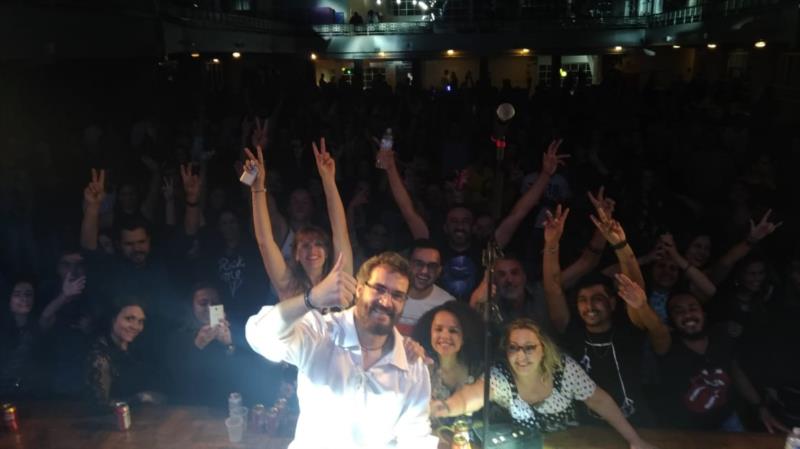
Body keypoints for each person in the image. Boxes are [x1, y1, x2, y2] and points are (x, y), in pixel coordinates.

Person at [246, 252, 437, 449]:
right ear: (359, 289)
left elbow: (416, 435)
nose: (386, 302)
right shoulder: (321, 331)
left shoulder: (412, 363)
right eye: (379, 289)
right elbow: (260, 336)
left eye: (397, 295)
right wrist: (310, 299)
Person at [377, 139, 568, 300]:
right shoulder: (433, 244)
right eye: (454, 221)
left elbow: (517, 215)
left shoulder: (487, 248)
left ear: (473, 226)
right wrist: (391, 168)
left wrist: (545, 175)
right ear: (445, 226)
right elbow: (408, 211)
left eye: (465, 221)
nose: (460, 226)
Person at [432, 319, 658, 449]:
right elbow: (472, 395)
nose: (521, 356)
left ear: (543, 348)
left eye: (529, 348)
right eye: (514, 348)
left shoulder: (563, 369)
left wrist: (634, 440)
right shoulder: (501, 376)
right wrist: (446, 407)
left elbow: (599, 401)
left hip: (571, 443)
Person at [542, 202, 670, 426]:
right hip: (588, 429)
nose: (589, 306)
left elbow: (635, 289)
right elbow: (553, 289)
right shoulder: (572, 331)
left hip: (638, 424)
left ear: (612, 302)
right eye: (583, 300)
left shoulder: (628, 329)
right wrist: (551, 244)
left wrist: (621, 245)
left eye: (598, 298)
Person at [657, 293, 787, 433]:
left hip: (727, 419)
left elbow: (737, 374)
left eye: (693, 308)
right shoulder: (665, 346)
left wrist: (759, 406)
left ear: (703, 314)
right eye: (679, 311)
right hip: (687, 429)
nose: (688, 314)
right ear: (670, 321)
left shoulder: (720, 338)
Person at [245, 139, 353, 300]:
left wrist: (328, 180)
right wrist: (257, 188)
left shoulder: (340, 280)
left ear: (327, 252)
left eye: (318, 244)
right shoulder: (288, 285)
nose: (312, 250)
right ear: (295, 254)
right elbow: (265, 241)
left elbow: (341, 232)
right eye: (305, 245)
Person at [84, 297, 163, 411]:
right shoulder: (100, 357)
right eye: (129, 319)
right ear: (113, 319)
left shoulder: (137, 347)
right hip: (109, 420)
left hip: (144, 417)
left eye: (140, 321)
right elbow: (99, 405)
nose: (135, 327)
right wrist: (140, 398)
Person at [412, 301, 483, 418]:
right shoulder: (420, 368)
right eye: (438, 329)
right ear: (429, 333)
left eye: (453, 331)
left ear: (465, 336)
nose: (445, 336)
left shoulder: (478, 369)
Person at [396, 239, 455, 335]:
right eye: (418, 264)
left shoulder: (447, 305)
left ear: (439, 270)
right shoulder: (391, 294)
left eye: (432, 266)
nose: (424, 271)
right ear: (408, 264)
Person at [0, 277, 45, 397]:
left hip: (33, 394)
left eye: (28, 294)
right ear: (8, 298)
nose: (24, 299)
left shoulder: (38, 326)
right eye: (17, 294)